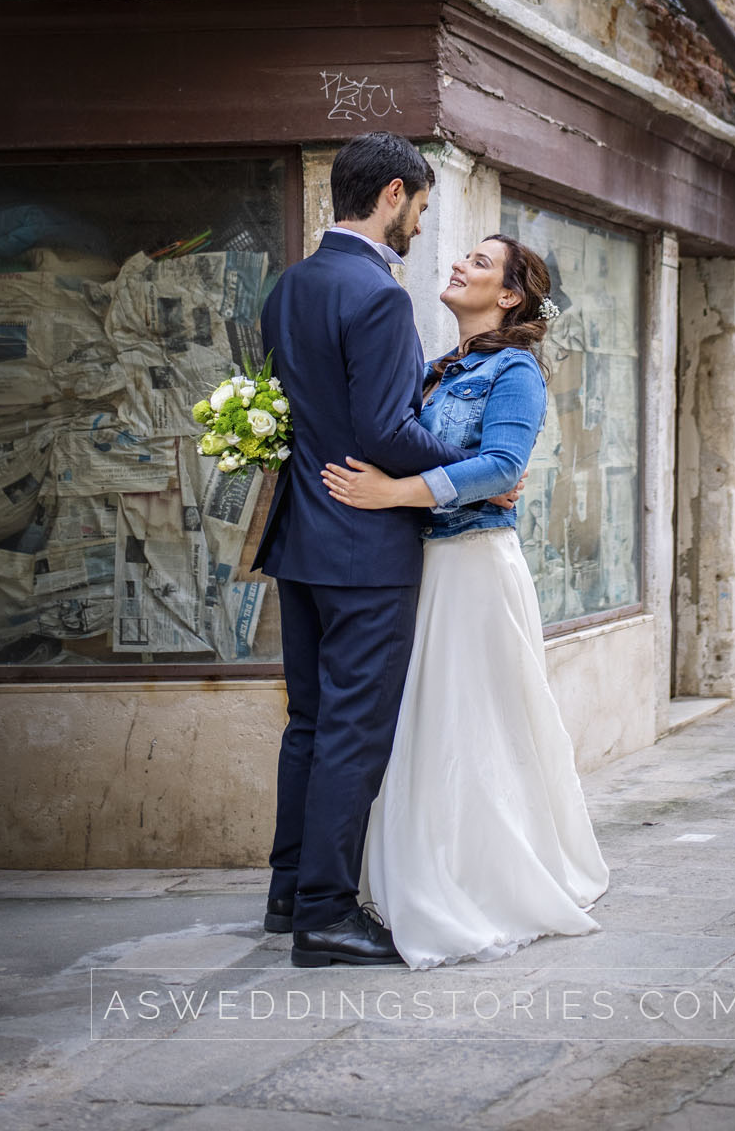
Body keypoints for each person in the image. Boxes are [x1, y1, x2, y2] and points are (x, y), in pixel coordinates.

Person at [255, 132, 518, 969]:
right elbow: (383, 431)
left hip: (300, 538)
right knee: (354, 733)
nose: (419, 229)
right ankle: (328, 916)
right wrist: (476, 474)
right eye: (422, 211)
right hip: (364, 545)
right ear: (395, 195)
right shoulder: (376, 296)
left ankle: (290, 890)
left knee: (310, 722)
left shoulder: (289, 286)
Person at [323, 233, 609, 970]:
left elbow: (503, 467)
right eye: (464, 257)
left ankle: (478, 876)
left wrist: (393, 492)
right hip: (423, 568)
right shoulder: (432, 370)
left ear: (510, 295)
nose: (458, 264)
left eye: (480, 263)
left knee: (469, 723)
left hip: (475, 566)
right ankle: (418, 864)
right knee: (425, 720)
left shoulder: (515, 371)